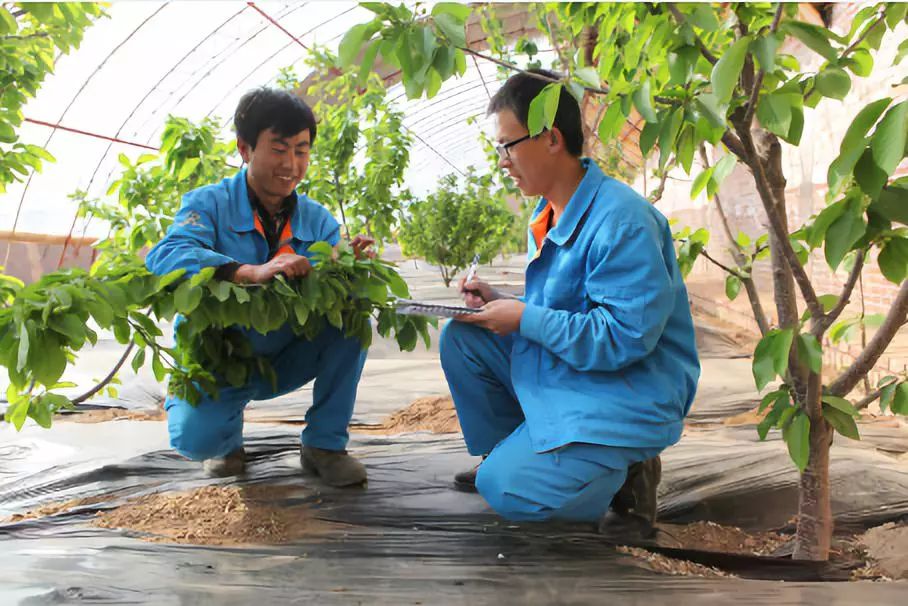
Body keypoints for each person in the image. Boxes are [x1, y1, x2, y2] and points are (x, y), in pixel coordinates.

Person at [439, 70, 700, 531]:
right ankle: (526, 450)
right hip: (583, 372)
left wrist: (522, 318)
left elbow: (623, 338)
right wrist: (501, 302)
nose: (503, 161)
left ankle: (620, 473)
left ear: (552, 138)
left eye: (508, 145)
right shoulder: (546, 213)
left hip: (629, 389)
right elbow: (566, 307)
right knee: (461, 335)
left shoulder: (622, 220)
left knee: (507, 490)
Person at [146, 88, 373, 486]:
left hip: (283, 355)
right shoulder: (208, 204)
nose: (291, 164)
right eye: (279, 149)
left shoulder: (318, 221)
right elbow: (166, 255)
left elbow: (330, 275)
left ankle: (324, 445)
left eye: (301, 151)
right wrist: (245, 271)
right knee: (195, 441)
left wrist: (346, 265)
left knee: (352, 315)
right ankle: (225, 439)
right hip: (217, 358)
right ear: (245, 149)